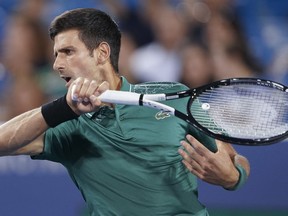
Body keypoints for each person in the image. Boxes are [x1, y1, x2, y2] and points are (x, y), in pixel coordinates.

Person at [0, 8, 250, 216]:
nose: (56, 64)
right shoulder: (68, 125)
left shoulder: (177, 95)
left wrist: (233, 176)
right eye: (55, 54)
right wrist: (62, 109)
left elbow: (235, 159)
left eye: (68, 51)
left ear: (102, 53)